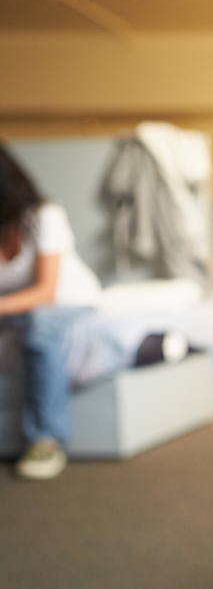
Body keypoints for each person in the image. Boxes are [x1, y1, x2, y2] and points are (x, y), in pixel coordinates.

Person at [0, 145, 102, 480]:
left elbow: (47, 292)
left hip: (67, 302)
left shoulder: (44, 215)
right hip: (15, 308)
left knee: (40, 329)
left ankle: (46, 438)